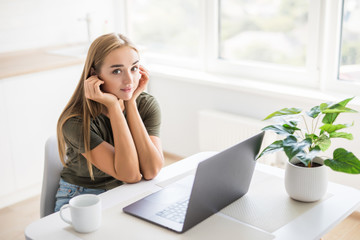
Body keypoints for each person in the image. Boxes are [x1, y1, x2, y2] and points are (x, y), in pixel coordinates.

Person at [54, 33, 164, 212]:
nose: (129, 80)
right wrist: (113, 107)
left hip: (124, 191)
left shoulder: (146, 104)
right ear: (94, 75)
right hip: (83, 196)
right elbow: (130, 175)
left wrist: (130, 103)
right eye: (117, 71)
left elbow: (151, 171)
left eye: (134, 68)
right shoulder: (75, 122)